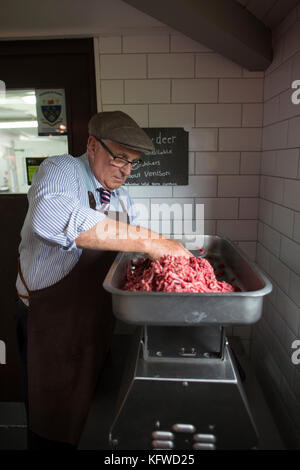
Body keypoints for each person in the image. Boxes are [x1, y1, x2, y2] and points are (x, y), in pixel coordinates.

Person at [15, 111, 191, 450]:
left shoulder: (122, 198)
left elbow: (135, 252)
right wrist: (150, 241)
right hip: (50, 323)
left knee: (87, 416)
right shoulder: (61, 169)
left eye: (133, 162)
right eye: (120, 157)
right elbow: (49, 218)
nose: (125, 169)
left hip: (94, 320)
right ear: (93, 145)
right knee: (51, 419)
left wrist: (171, 268)